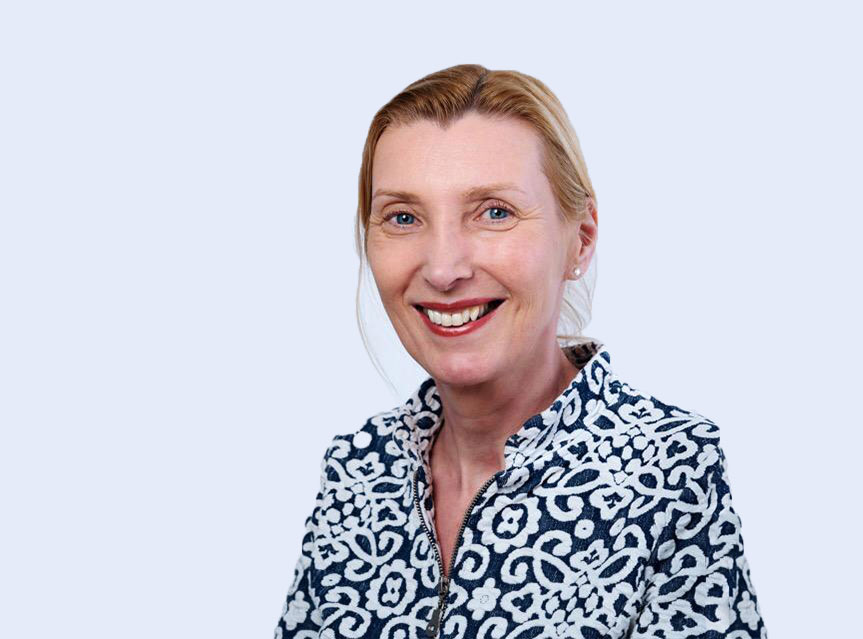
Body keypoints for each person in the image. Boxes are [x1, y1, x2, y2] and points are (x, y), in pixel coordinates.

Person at [275, 64, 766, 639]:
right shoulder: (357, 469)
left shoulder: (668, 472)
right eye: (403, 218)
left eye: (495, 212)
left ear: (580, 239)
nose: (444, 269)